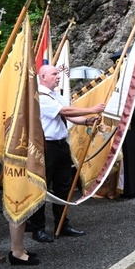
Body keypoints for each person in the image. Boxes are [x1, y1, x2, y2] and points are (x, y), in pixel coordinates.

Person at [27, 64, 103, 243]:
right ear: (43, 76)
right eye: (54, 74)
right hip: (46, 147)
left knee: (63, 186)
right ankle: (37, 228)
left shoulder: (56, 95)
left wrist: (87, 121)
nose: (58, 77)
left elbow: (69, 116)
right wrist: (93, 109)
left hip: (61, 145)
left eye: (58, 74)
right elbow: (64, 111)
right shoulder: (40, 96)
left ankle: (62, 223)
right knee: (42, 186)